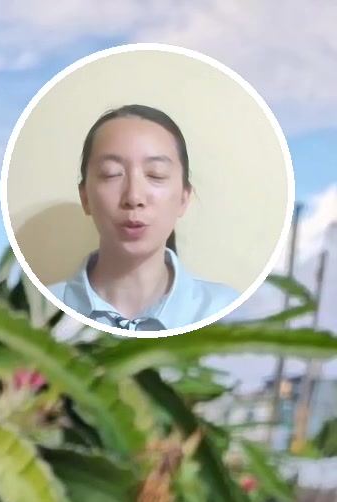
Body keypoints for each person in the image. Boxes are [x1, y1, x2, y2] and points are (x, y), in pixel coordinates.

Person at [45, 105, 240, 332]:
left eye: (156, 174)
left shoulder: (226, 312)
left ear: (184, 199)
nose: (134, 197)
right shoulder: (35, 316)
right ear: (85, 197)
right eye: (111, 173)